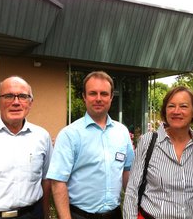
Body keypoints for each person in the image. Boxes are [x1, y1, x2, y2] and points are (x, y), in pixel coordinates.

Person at [46, 71, 135, 219]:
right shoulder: (70, 134)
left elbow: (127, 172)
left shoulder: (122, 132)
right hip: (80, 215)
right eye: (93, 93)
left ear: (111, 97)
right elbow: (58, 182)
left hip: (115, 215)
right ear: (84, 97)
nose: (98, 99)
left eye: (104, 94)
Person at [123, 86, 193, 219]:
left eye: (184, 106)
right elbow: (132, 190)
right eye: (171, 106)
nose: (176, 111)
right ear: (165, 111)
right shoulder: (148, 141)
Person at [0, 76, 53, 219]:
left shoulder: (42, 137)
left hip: (32, 214)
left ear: (30, 103)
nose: (16, 102)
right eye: (9, 96)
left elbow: (46, 180)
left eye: (23, 96)